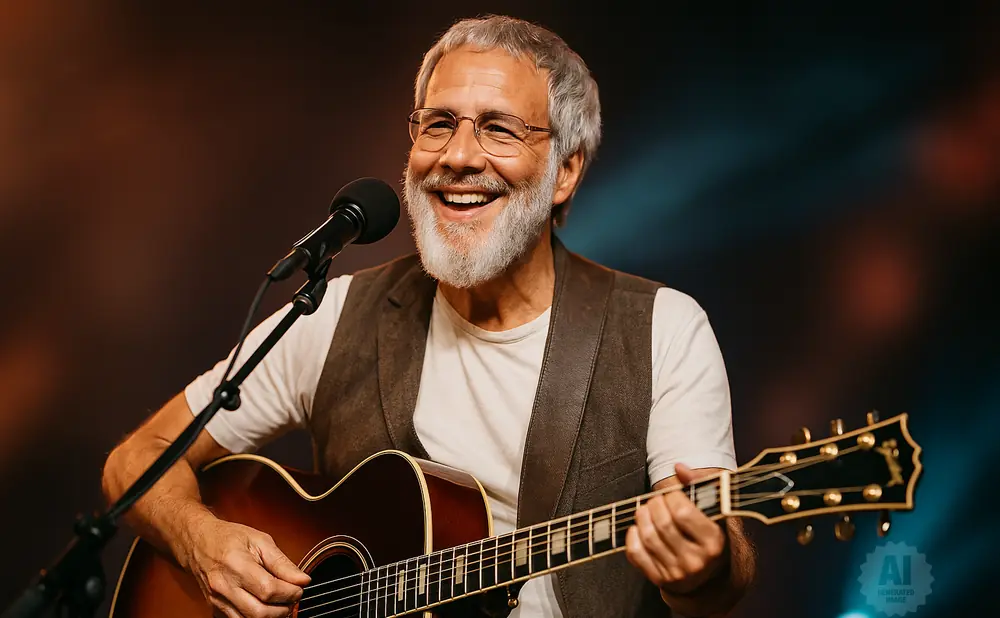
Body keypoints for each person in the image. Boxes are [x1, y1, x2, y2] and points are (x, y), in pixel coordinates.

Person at [103, 14, 755, 618]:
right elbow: (135, 462)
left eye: (499, 128)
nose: (458, 156)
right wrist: (201, 539)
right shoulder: (335, 315)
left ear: (565, 171)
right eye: (438, 123)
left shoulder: (662, 329)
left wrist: (703, 564)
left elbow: (720, 577)